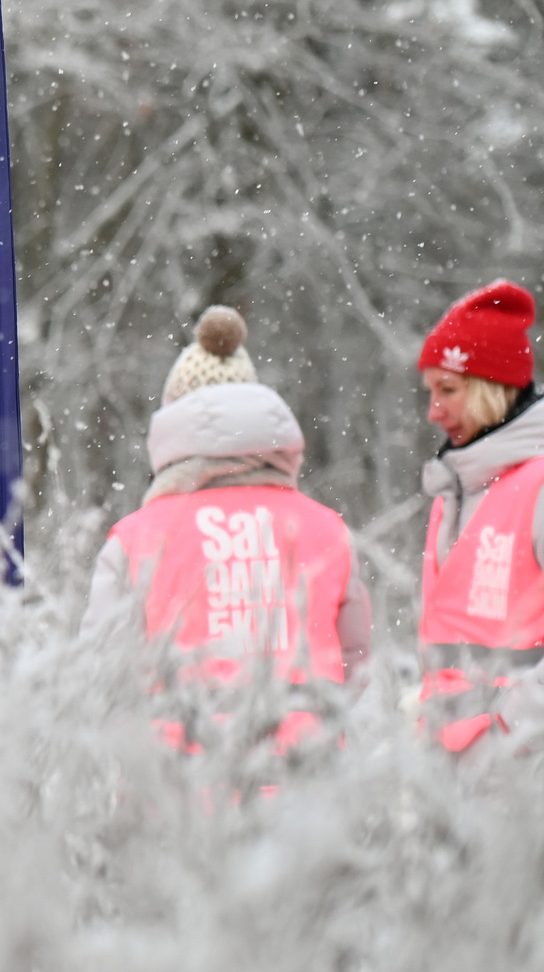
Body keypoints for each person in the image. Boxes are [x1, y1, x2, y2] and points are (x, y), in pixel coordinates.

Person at [82, 308, 370, 752]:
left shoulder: (135, 540)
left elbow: (101, 676)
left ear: (172, 426)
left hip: (180, 777)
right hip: (309, 775)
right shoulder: (327, 531)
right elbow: (356, 663)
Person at [413, 280, 544, 754]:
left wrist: (512, 729)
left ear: (491, 390)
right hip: (469, 772)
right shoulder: (453, 496)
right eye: (430, 392)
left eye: (448, 390)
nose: (433, 411)